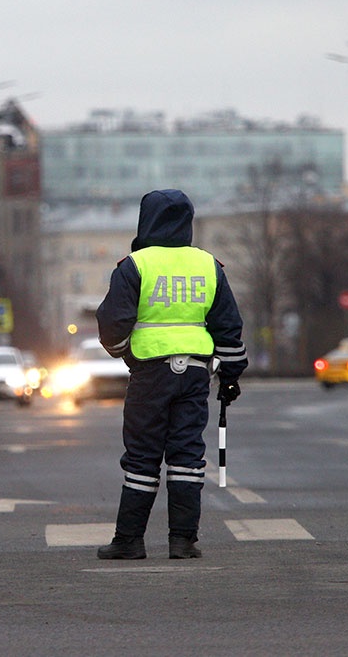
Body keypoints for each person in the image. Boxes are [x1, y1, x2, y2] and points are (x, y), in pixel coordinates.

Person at [96, 189, 248, 560]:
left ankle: (129, 541)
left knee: (143, 457)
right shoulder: (208, 265)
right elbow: (228, 327)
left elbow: (111, 326)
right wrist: (230, 377)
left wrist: (127, 355)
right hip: (195, 374)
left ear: (145, 220)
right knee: (186, 456)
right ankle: (183, 541)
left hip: (149, 375)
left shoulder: (135, 266)